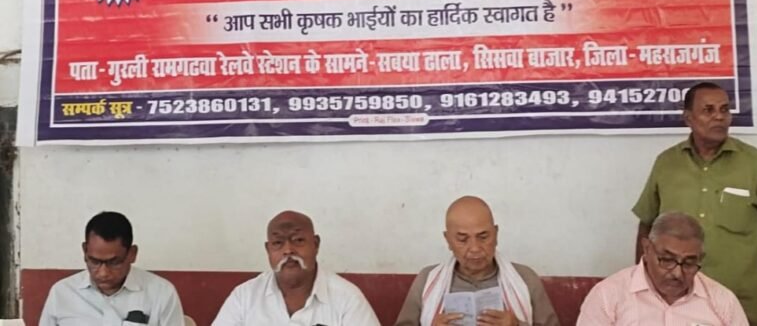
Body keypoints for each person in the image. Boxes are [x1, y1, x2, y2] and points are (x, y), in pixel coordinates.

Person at [632, 81, 757, 326]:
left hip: (741, 302)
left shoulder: (753, 163)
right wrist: (642, 288)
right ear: (688, 118)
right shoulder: (666, 164)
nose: (719, 117)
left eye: (724, 109)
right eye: (708, 110)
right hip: (676, 303)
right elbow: (647, 226)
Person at [395, 196, 559, 326]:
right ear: (448, 240)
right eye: (462, 239)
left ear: (496, 234)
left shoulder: (524, 278)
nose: (474, 248)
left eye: (483, 237)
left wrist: (517, 324)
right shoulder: (428, 280)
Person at [577, 212, 749, 325]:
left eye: (688, 263)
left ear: (700, 259)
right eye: (667, 260)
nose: (677, 273)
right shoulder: (608, 296)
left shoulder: (723, 302)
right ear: (646, 249)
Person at [212, 210, 380, 326]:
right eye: (278, 242)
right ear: (268, 249)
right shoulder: (244, 296)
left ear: (315, 244)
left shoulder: (347, 298)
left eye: (298, 240)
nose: (288, 250)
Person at [39, 211, 185, 326]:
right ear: (84, 251)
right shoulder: (62, 293)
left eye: (114, 263)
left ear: (132, 254)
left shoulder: (161, 293)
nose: (103, 273)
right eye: (95, 262)